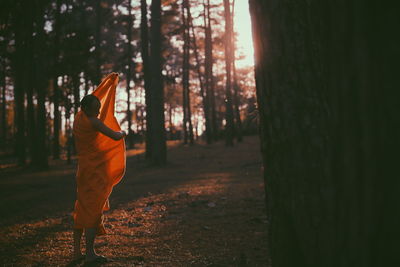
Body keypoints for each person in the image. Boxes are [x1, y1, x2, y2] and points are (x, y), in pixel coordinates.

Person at [72, 73, 126, 263]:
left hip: (83, 170)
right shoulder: (93, 121)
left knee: (82, 207)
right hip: (94, 172)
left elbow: (95, 95)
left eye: (99, 109)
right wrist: (123, 131)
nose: (98, 112)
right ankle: (89, 254)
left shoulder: (79, 118)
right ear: (86, 109)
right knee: (93, 211)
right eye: (96, 109)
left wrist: (108, 84)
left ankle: (77, 252)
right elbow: (115, 136)